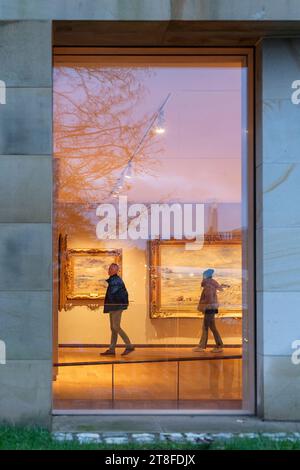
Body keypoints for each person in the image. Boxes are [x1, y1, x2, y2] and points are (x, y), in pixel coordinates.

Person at [100, 263, 135, 356]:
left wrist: (103, 284)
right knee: (113, 328)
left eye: (111, 269)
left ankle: (129, 346)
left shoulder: (116, 281)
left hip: (116, 307)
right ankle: (112, 349)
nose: (109, 270)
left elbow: (113, 292)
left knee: (116, 327)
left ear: (116, 270)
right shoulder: (113, 280)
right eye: (109, 269)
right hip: (113, 306)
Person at [193, 268, 229, 353]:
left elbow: (209, 298)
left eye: (203, 275)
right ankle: (218, 345)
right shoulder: (211, 284)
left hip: (209, 308)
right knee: (211, 327)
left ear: (205, 276)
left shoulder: (208, 285)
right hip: (212, 308)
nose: (203, 277)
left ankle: (203, 346)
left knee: (206, 327)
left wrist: (203, 307)